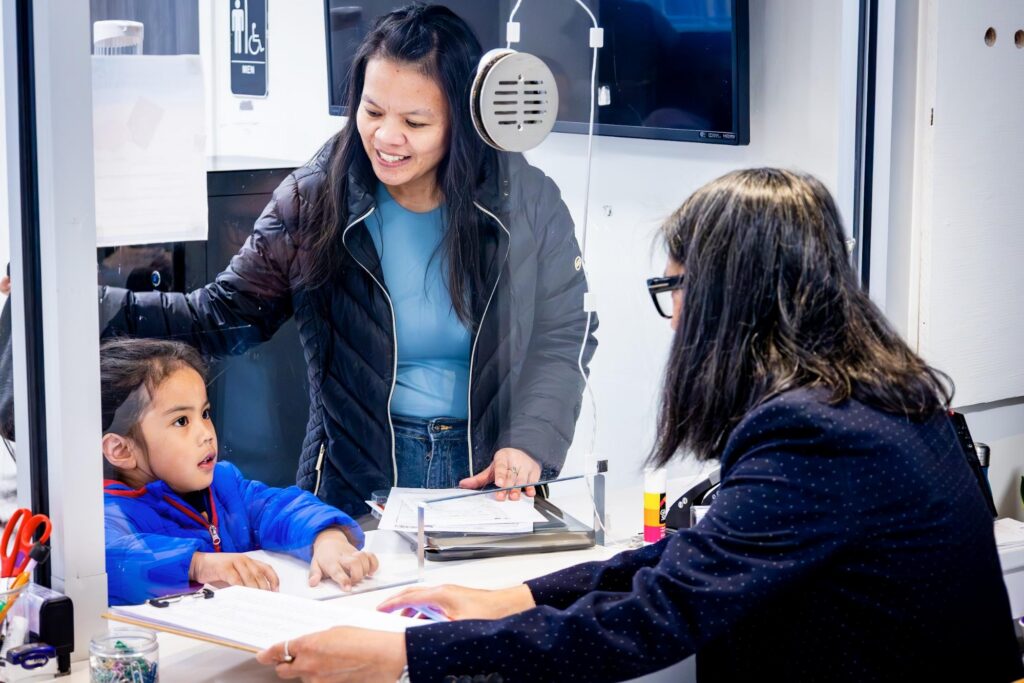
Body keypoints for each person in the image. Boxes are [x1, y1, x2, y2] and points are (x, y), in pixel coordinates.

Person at [255, 169, 1024, 682]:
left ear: (732, 296)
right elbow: (694, 557)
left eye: (678, 285)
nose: (675, 310)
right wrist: (519, 595)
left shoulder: (815, 434)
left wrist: (403, 654)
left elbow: (659, 613)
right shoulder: (885, 397)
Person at [98, 4, 596, 516]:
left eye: (415, 121)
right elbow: (221, 316)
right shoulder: (314, 199)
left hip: (489, 481)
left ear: (462, 123)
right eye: (373, 111)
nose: (386, 137)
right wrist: (87, 303)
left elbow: (566, 334)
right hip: (353, 488)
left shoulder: (526, 200)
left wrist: (530, 442)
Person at [100, 338, 378, 606]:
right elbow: (113, 560)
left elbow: (280, 507)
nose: (206, 434)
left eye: (205, 414)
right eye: (181, 421)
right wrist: (198, 564)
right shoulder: (108, 513)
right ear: (121, 450)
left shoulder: (225, 485)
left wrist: (327, 537)